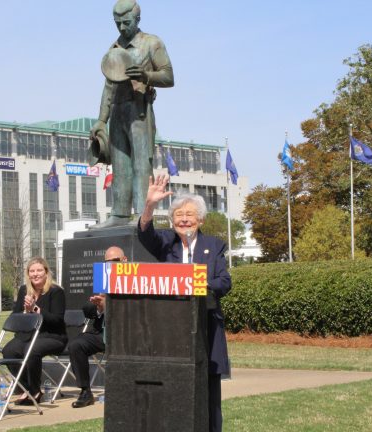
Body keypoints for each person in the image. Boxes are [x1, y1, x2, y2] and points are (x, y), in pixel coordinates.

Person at [138, 174, 231, 432]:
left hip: (206, 328)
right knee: (174, 386)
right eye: (178, 214)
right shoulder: (166, 243)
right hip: (171, 328)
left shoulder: (214, 245)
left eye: (190, 214)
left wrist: (196, 283)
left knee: (209, 392)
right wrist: (149, 206)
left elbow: (224, 282)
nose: (184, 219)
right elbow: (145, 236)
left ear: (200, 220)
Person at [89, 0, 174, 229]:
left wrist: (146, 75)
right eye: (117, 24)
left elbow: (168, 76)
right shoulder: (114, 49)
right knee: (120, 164)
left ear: (137, 19)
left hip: (139, 111)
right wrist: (101, 120)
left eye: (126, 23)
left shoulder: (151, 43)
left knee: (141, 163)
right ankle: (119, 214)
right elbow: (108, 88)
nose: (122, 28)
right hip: (118, 109)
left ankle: (141, 214)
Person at [2, 257, 67, 405]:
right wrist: (25, 311)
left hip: (52, 336)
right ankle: (25, 388)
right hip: (27, 336)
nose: (35, 274)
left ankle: (35, 391)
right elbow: (14, 317)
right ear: (27, 274)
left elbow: (57, 320)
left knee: (31, 350)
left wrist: (36, 310)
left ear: (46, 273)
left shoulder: (56, 292)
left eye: (39, 270)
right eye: (32, 271)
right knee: (9, 351)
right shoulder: (24, 290)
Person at [68, 246, 125, 408]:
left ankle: (123, 390)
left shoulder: (135, 279)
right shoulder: (102, 278)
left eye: (115, 261)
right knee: (76, 344)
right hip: (102, 332)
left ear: (125, 260)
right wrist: (100, 307)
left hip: (125, 334)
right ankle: (85, 391)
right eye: (107, 262)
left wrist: (110, 306)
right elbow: (87, 309)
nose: (111, 265)